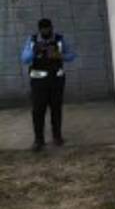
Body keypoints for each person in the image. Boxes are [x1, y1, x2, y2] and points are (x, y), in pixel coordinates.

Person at [20, 18, 76, 151]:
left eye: (48, 28)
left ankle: (57, 137)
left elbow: (72, 55)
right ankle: (39, 140)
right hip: (39, 82)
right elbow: (24, 59)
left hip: (56, 80)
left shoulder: (60, 39)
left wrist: (59, 55)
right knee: (38, 111)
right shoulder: (32, 40)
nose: (46, 31)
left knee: (56, 109)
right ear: (39, 29)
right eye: (43, 29)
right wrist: (34, 51)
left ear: (52, 27)